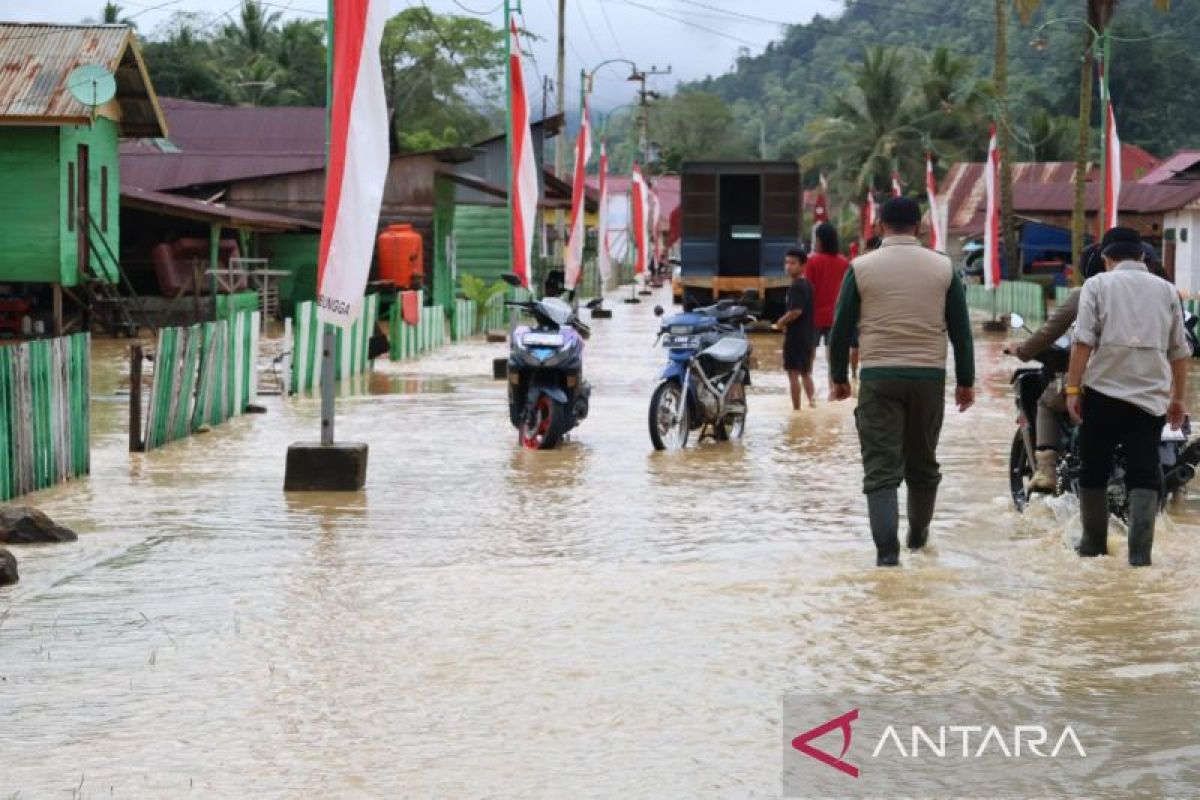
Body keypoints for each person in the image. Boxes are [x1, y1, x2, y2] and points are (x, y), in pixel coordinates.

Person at [828, 197, 975, 566]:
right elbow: (962, 332)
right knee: (923, 464)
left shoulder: (860, 267)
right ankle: (917, 539)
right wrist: (966, 381)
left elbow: (840, 329)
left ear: (879, 226)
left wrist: (839, 378)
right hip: (929, 376)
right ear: (920, 227)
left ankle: (887, 558)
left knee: (881, 469)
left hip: (878, 376)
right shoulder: (943, 267)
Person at [1066, 227, 1190, 567]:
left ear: (1106, 259)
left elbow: (1082, 343)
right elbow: (1179, 351)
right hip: (1150, 397)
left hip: (1104, 393)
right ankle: (1139, 557)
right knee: (1144, 471)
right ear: (1141, 257)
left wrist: (1073, 389)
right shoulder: (1167, 290)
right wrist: (1178, 399)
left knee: (1094, 468)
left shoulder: (1097, 285)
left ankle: (1093, 547)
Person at [775, 248, 816, 410]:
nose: (788, 266)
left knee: (793, 375)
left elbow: (796, 311)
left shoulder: (796, 287)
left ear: (803, 266)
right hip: (807, 336)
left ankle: (796, 410)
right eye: (786, 263)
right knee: (806, 373)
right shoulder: (808, 285)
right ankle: (813, 405)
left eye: (793, 263)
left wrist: (780, 322)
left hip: (795, 338)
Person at [807, 223, 851, 364]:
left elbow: (808, 289)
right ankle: (833, 386)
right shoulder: (844, 262)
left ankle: (808, 386)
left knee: (809, 358)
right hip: (836, 317)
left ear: (819, 240)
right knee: (833, 359)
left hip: (813, 316)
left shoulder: (812, 261)